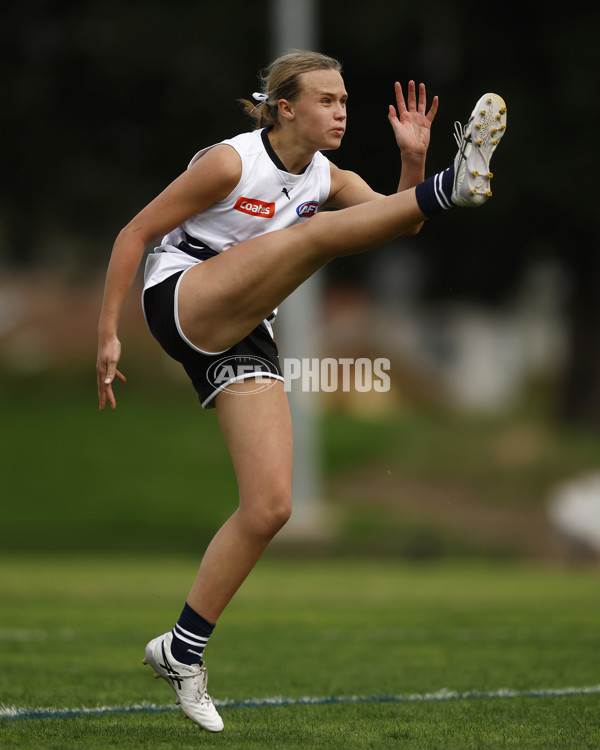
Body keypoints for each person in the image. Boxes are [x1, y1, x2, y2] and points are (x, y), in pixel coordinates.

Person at [96, 50, 506, 733]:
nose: (341, 111)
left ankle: (182, 649)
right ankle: (454, 183)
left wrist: (411, 168)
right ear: (285, 107)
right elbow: (133, 232)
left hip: (246, 330)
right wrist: (107, 333)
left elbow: (395, 221)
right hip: (183, 298)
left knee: (271, 506)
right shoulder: (231, 163)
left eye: (345, 101)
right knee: (312, 237)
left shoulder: (329, 178)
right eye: (326, 100)